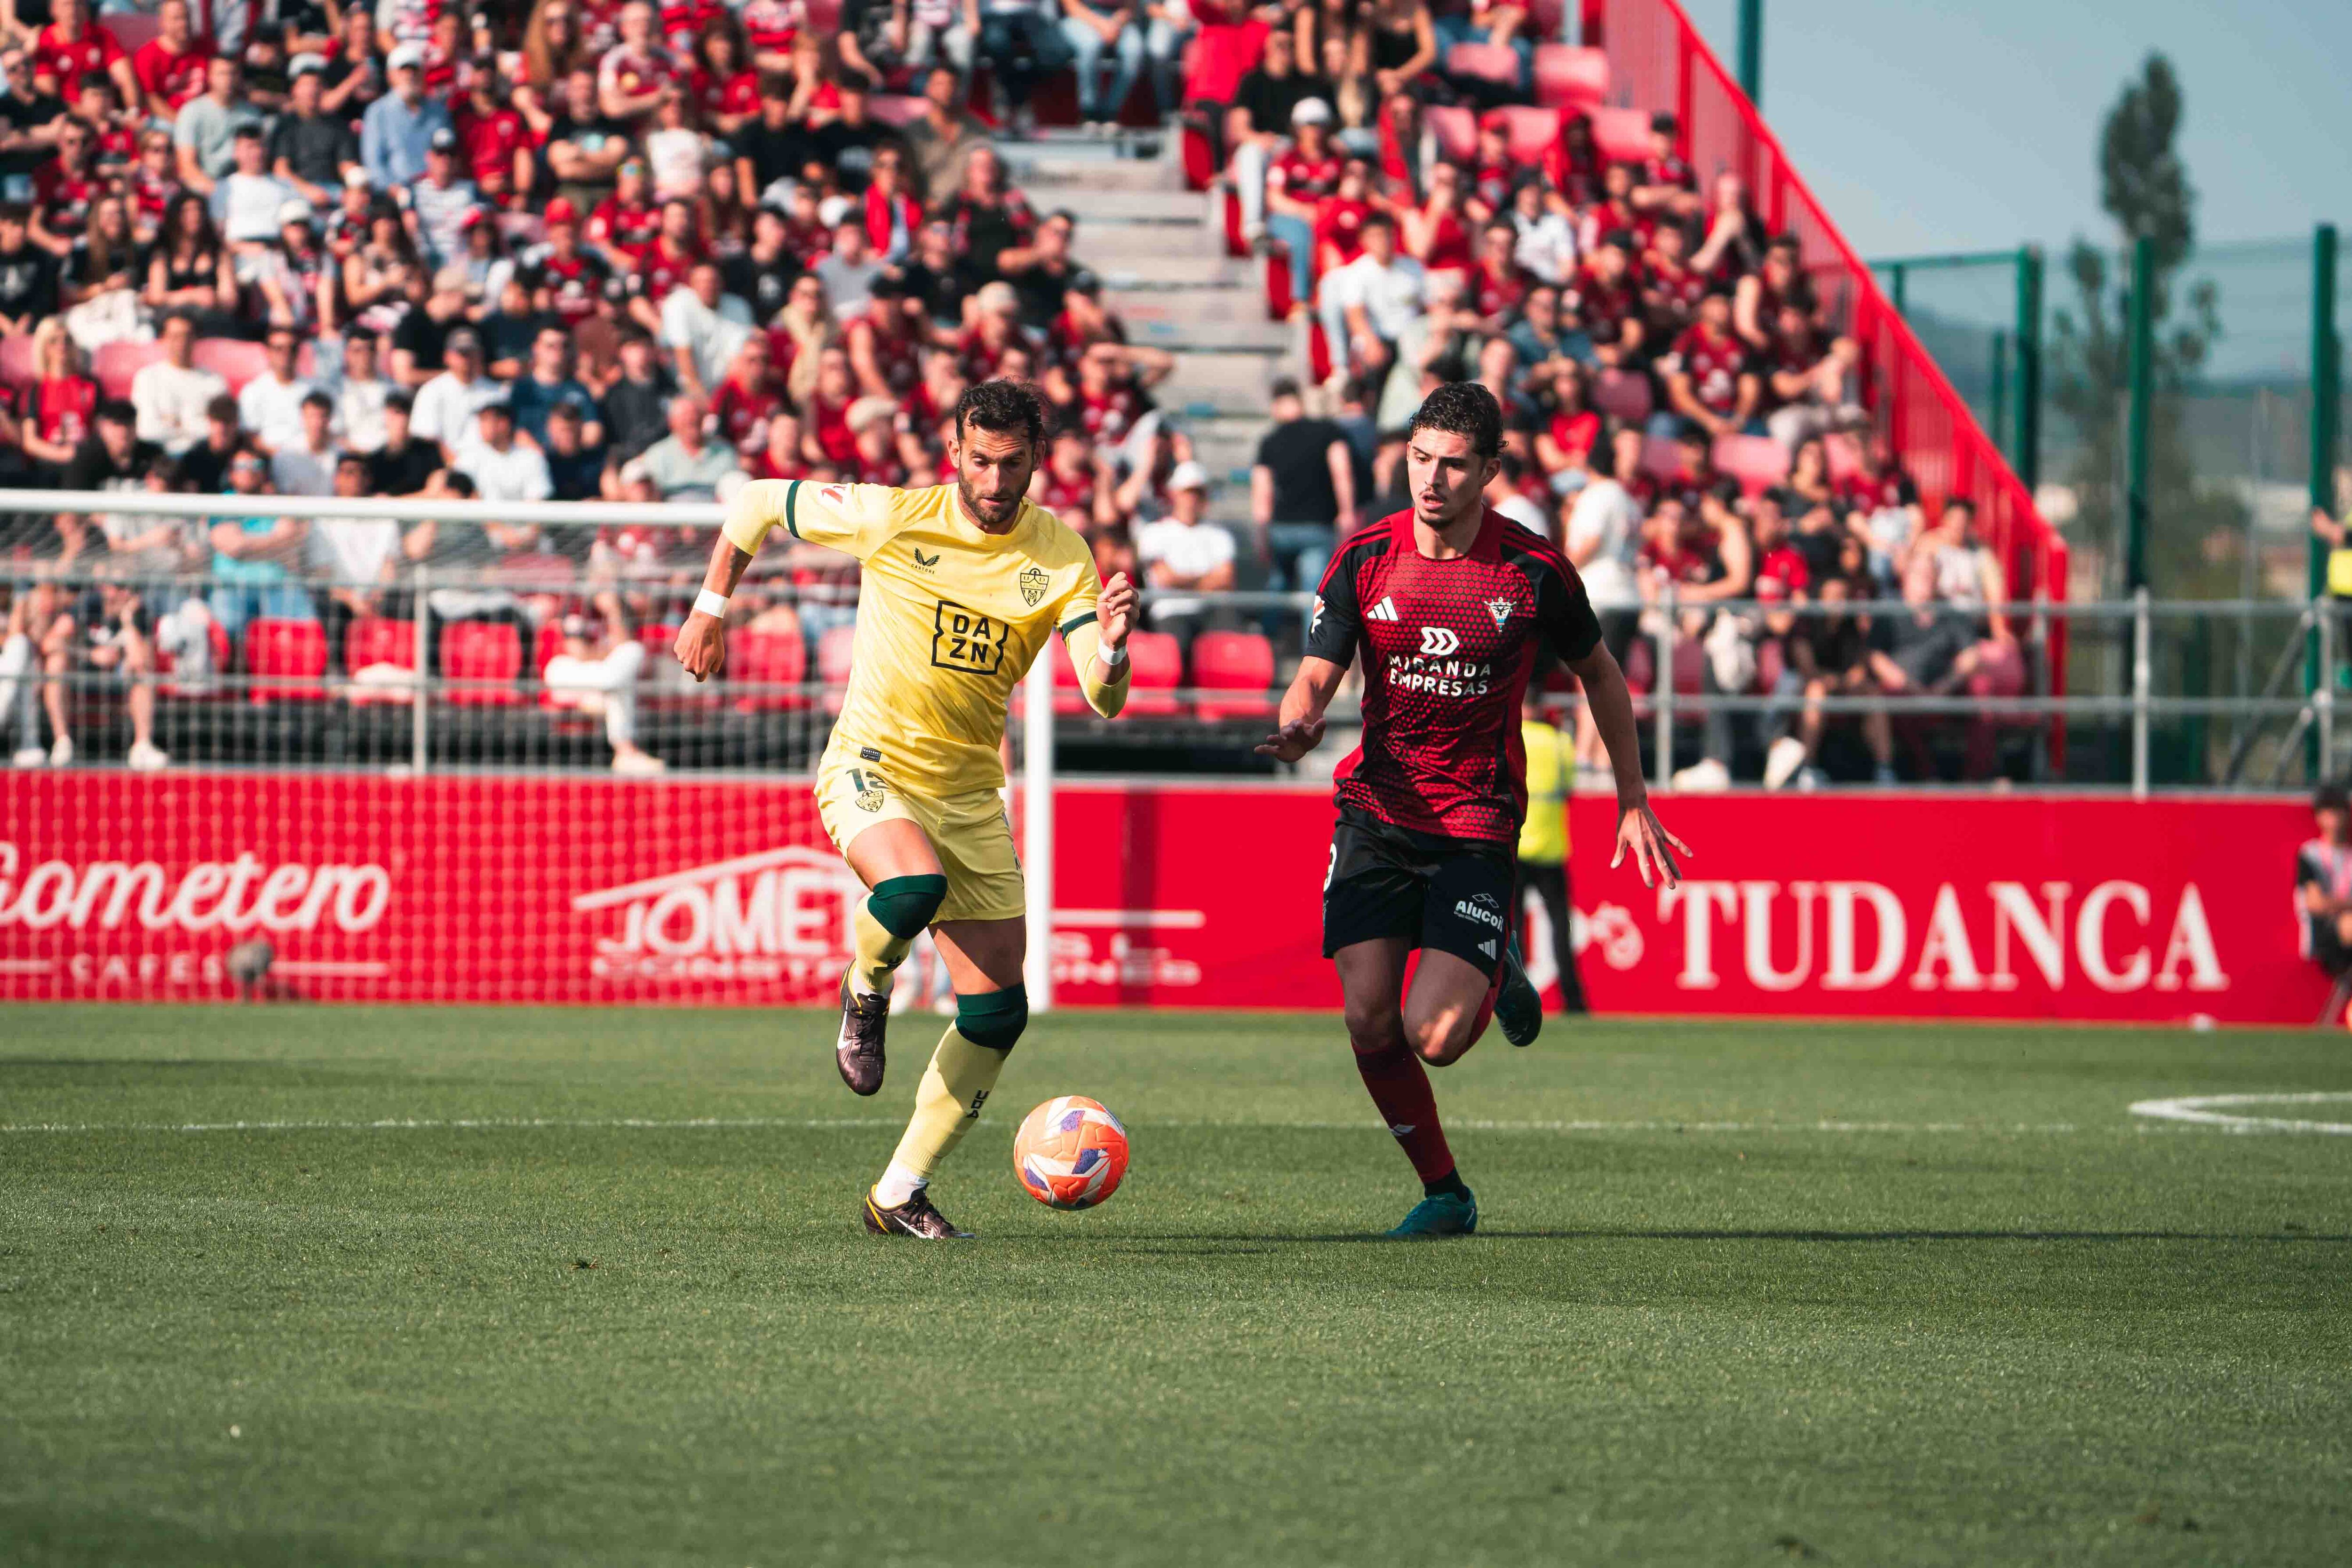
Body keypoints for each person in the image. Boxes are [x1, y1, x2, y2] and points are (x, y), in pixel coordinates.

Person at [674, 379, 1137, 1239]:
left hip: (968, 794)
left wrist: (1110, 647)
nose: (996, 482)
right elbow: (755, 502)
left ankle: (898, 1192)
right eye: (982, 461)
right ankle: (867, 985)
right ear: (955, 452)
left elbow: (1103, 698)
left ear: (1039, 458)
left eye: (1013, 464)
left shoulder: (1064, 557)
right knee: (912, 885)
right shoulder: (892, 515)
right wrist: (711, 607)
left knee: (999, 1013)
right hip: (871, 765)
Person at [1254, 381, 1686, 1236]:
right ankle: (1446, 1192)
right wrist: (1298, 720)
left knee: (1439, 1036)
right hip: (1375, 812)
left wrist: (1632, 798)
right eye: (1420, 459)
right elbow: (1317, 669)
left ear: (1490, 470)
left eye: (1455, 464)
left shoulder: (1532, 570)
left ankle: (1498, 965)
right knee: (1368, 1018)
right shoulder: (1364, 557)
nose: (1433, 479)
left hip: (1474, 826)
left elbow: (1601, 672)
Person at [1515, 689, 1586, 1013]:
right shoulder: (1560, 744)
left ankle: (1514, 998)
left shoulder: (1510, 737)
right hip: (1551, 848)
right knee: (1560, 927)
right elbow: (1568, 789)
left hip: (1514, 848)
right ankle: (1573, 1001)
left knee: (1513, 931)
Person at [1249, 375, 1353, 597]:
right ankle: (1311, 633)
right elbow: (1341, 472)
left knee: (1277, 590)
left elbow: (1262, 491)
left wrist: (1261, 534)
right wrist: (1347, 514)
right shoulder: (1327, 431)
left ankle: (1269, 631)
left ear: (1276, 404)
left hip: (1281, 529)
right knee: (1313, 595)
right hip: (1318, 526)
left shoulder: (1270, 441)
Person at [545, 594, 668, 776]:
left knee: (630, 657)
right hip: (571, 677)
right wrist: (607, 656)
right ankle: (627, 753)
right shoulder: (577, 609)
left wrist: (613, 610)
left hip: (601, 689)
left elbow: (625, 646)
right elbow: (579, 653)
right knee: (615, 677)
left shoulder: (620, 609)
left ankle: (626, 754)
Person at [1134, 460, 1232, 650]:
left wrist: (1182, 582)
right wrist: (1206, 581)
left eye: (1198, 493)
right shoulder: (1154, 532)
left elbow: (1226, 579)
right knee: (1175, 647)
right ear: (1174, 495)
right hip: (1170, 612)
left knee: (1230, 645)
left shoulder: (1220, 534)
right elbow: (1164, 578)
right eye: (1188, 492)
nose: (1193, 499)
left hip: (1210, 611)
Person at [132, 310, 230, 455]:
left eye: (187, 336)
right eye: (175, 337)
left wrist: (174, 423)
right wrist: (194, 424)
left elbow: (218, 432)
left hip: (203, 457)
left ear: (196, 339)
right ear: (163, 339)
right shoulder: (147, 378)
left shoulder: (215, 381)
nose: (182, 343)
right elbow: (147, 430)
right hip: (158, 457)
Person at [2297, 781, 2352, 1019]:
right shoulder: (2310, 855)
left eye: (2339, 810)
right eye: (2328, 811)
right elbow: (2316, 903)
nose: (2334, 818)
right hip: (2323, 933)